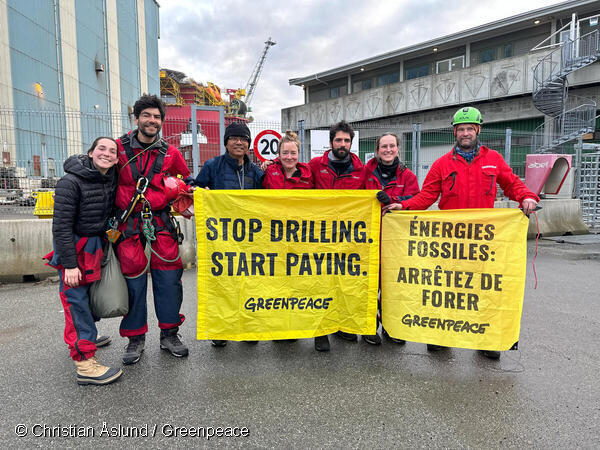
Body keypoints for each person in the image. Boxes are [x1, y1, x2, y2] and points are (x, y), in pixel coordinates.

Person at [383, 106, 539, 359]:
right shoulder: (442, 164)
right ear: (454, 132)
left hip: (482, 241)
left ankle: (486, 340)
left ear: (478, 130)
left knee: (483, 290)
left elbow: (513, 184)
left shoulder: (494, 160)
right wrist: (404, 205)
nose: (465, 133)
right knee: (446, 290)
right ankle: (440, 336)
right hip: (450, 241)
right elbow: (426, 196)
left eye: (469, 129)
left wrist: (528, 197)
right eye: (460, 129)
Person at [115, 94, 191, 365]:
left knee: (170, 280)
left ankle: (169, 333)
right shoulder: (118, 149)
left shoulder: (171, 153)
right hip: (128, 225)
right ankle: (135, 339)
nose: (152, 120)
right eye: (146, 115)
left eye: (157, 117)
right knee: (133, 282)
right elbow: (98, 173)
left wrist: (191, 194)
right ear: (136, 119)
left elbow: (187, 180)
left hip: (160, 222)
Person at [46, 137, 121, 385]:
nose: (107, 154)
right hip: (75, 249)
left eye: (112, 151)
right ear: (90, 153)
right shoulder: (70, 182)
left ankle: (87, 336)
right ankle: (85, 362)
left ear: (117, 159)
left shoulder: (108, 178)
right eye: (102, 149)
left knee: (86, 298)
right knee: (75, 301)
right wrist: (69, 264)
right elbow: (61, 226)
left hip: (94, 245)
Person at [194, 121, 264, 347]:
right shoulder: (213, 166)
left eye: (243, 139)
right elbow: (194, 187)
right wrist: (197, 190)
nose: (239, 142)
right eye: (234, 138)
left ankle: (248, 327)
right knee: (221, 286)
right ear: (226, 142)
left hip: (250, 239)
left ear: (248, 144)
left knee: (249, 284)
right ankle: (220, 329)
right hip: (221, 240)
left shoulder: (255, 171)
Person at [308, 120, 364, 351]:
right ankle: (321, 330)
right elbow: (296, 184)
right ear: (330, 142)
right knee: (320, 283)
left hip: (347, 237)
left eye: (347, 140)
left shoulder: (362, 169)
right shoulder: (314, 165)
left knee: (345, 283)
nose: (342, 144)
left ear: (351, 143)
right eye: (338, 140)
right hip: (320, 235)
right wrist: (270, 166)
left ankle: (341, 324)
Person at [362, 133, 420, 346]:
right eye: (383, 146)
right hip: (368, 240)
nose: (388, 150)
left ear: (397, 148)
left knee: (391, 286)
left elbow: (418, 200)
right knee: (369, 285)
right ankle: (368, 327)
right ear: (377, 150)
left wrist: (396, 201)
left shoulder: (408, 176)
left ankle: (390, 326)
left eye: (392, 146)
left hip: (395, 242)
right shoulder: (366, 172)